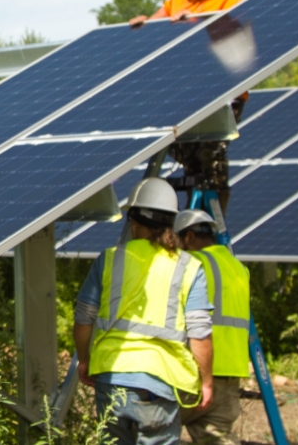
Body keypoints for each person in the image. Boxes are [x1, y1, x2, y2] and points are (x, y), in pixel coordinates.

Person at [74, 178, 215, 444]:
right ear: (172, 223)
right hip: (161, 382)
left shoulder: (109, 259)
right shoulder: (189, 267)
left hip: (111, 376)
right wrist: (206, 381)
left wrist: (85, 359)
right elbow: (200, 334)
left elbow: (83, 319)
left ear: (133, 221)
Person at [129, 0, 247, 214]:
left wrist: (195, 24)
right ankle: (192, 218)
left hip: (223, 94)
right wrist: (144, 23)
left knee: (211, 158)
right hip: (188, 90)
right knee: (182, 153)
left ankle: (211, 221)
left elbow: (234, 39)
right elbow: (158, 23)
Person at [174, 209, 250, 445]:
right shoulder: (239, 268)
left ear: (188, 237)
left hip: (195, 369)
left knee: (150, 431)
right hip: (231, 374)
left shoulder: (192, 263)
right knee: (217, 439)